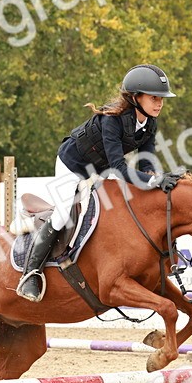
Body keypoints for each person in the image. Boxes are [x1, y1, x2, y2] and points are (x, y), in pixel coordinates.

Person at [17, 64, 176, 301]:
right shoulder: (113, 120)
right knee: (62, 214)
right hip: (73, 165)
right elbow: (120, 168)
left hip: (100, 170)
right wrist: (153, 179)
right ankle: (31, 274)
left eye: (161, 98)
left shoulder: (149, 124)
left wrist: (157, 177)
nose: (160, 103)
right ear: (135, 97)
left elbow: (146, 164)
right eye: (154, 97)